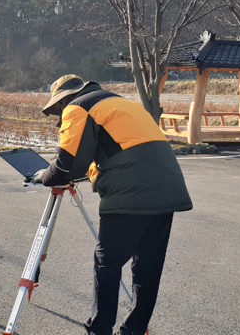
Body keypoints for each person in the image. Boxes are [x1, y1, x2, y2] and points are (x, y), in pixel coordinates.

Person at [32, 75, 193, 335]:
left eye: (58, 108)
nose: (60, 114)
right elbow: (118, 150)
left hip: (131, 192)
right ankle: (134, 329)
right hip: (168, 188)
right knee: (148, 266)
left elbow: (67, 166)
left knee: (107, 263)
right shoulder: (121, 103)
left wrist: (44, 175)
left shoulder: (78, 108)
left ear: (64, 100)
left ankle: (99, 330)